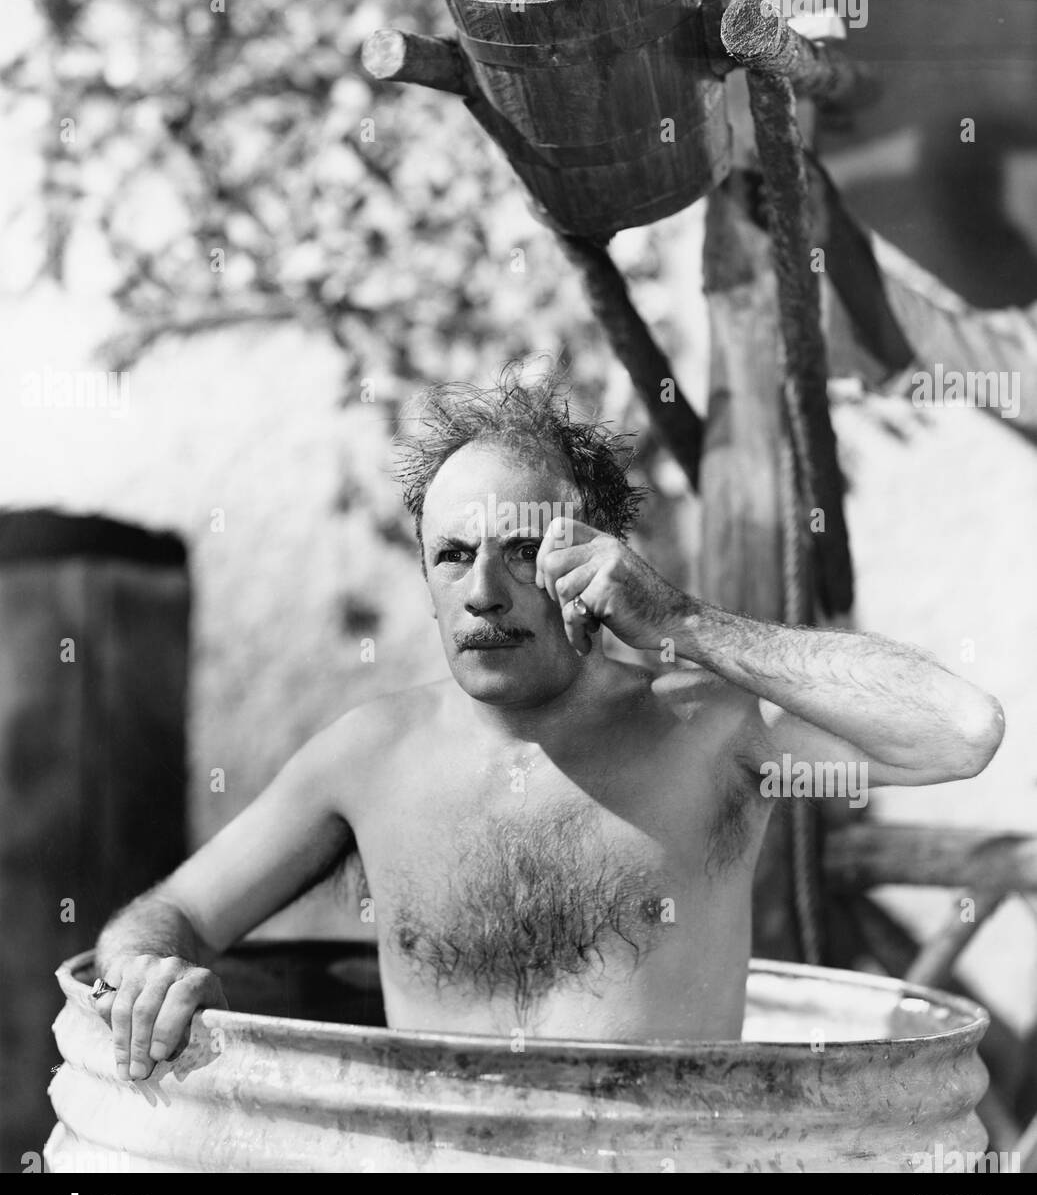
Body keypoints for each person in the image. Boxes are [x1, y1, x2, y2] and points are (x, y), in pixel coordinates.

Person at [91, 368, 1005, 1080]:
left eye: (521, 550)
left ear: (596, 559)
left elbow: (957, 731)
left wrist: (686, 622)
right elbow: (167, 916)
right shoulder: (368, 756)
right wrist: (148, 973)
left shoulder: (710, 728)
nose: (482, 590)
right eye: (452, 555)